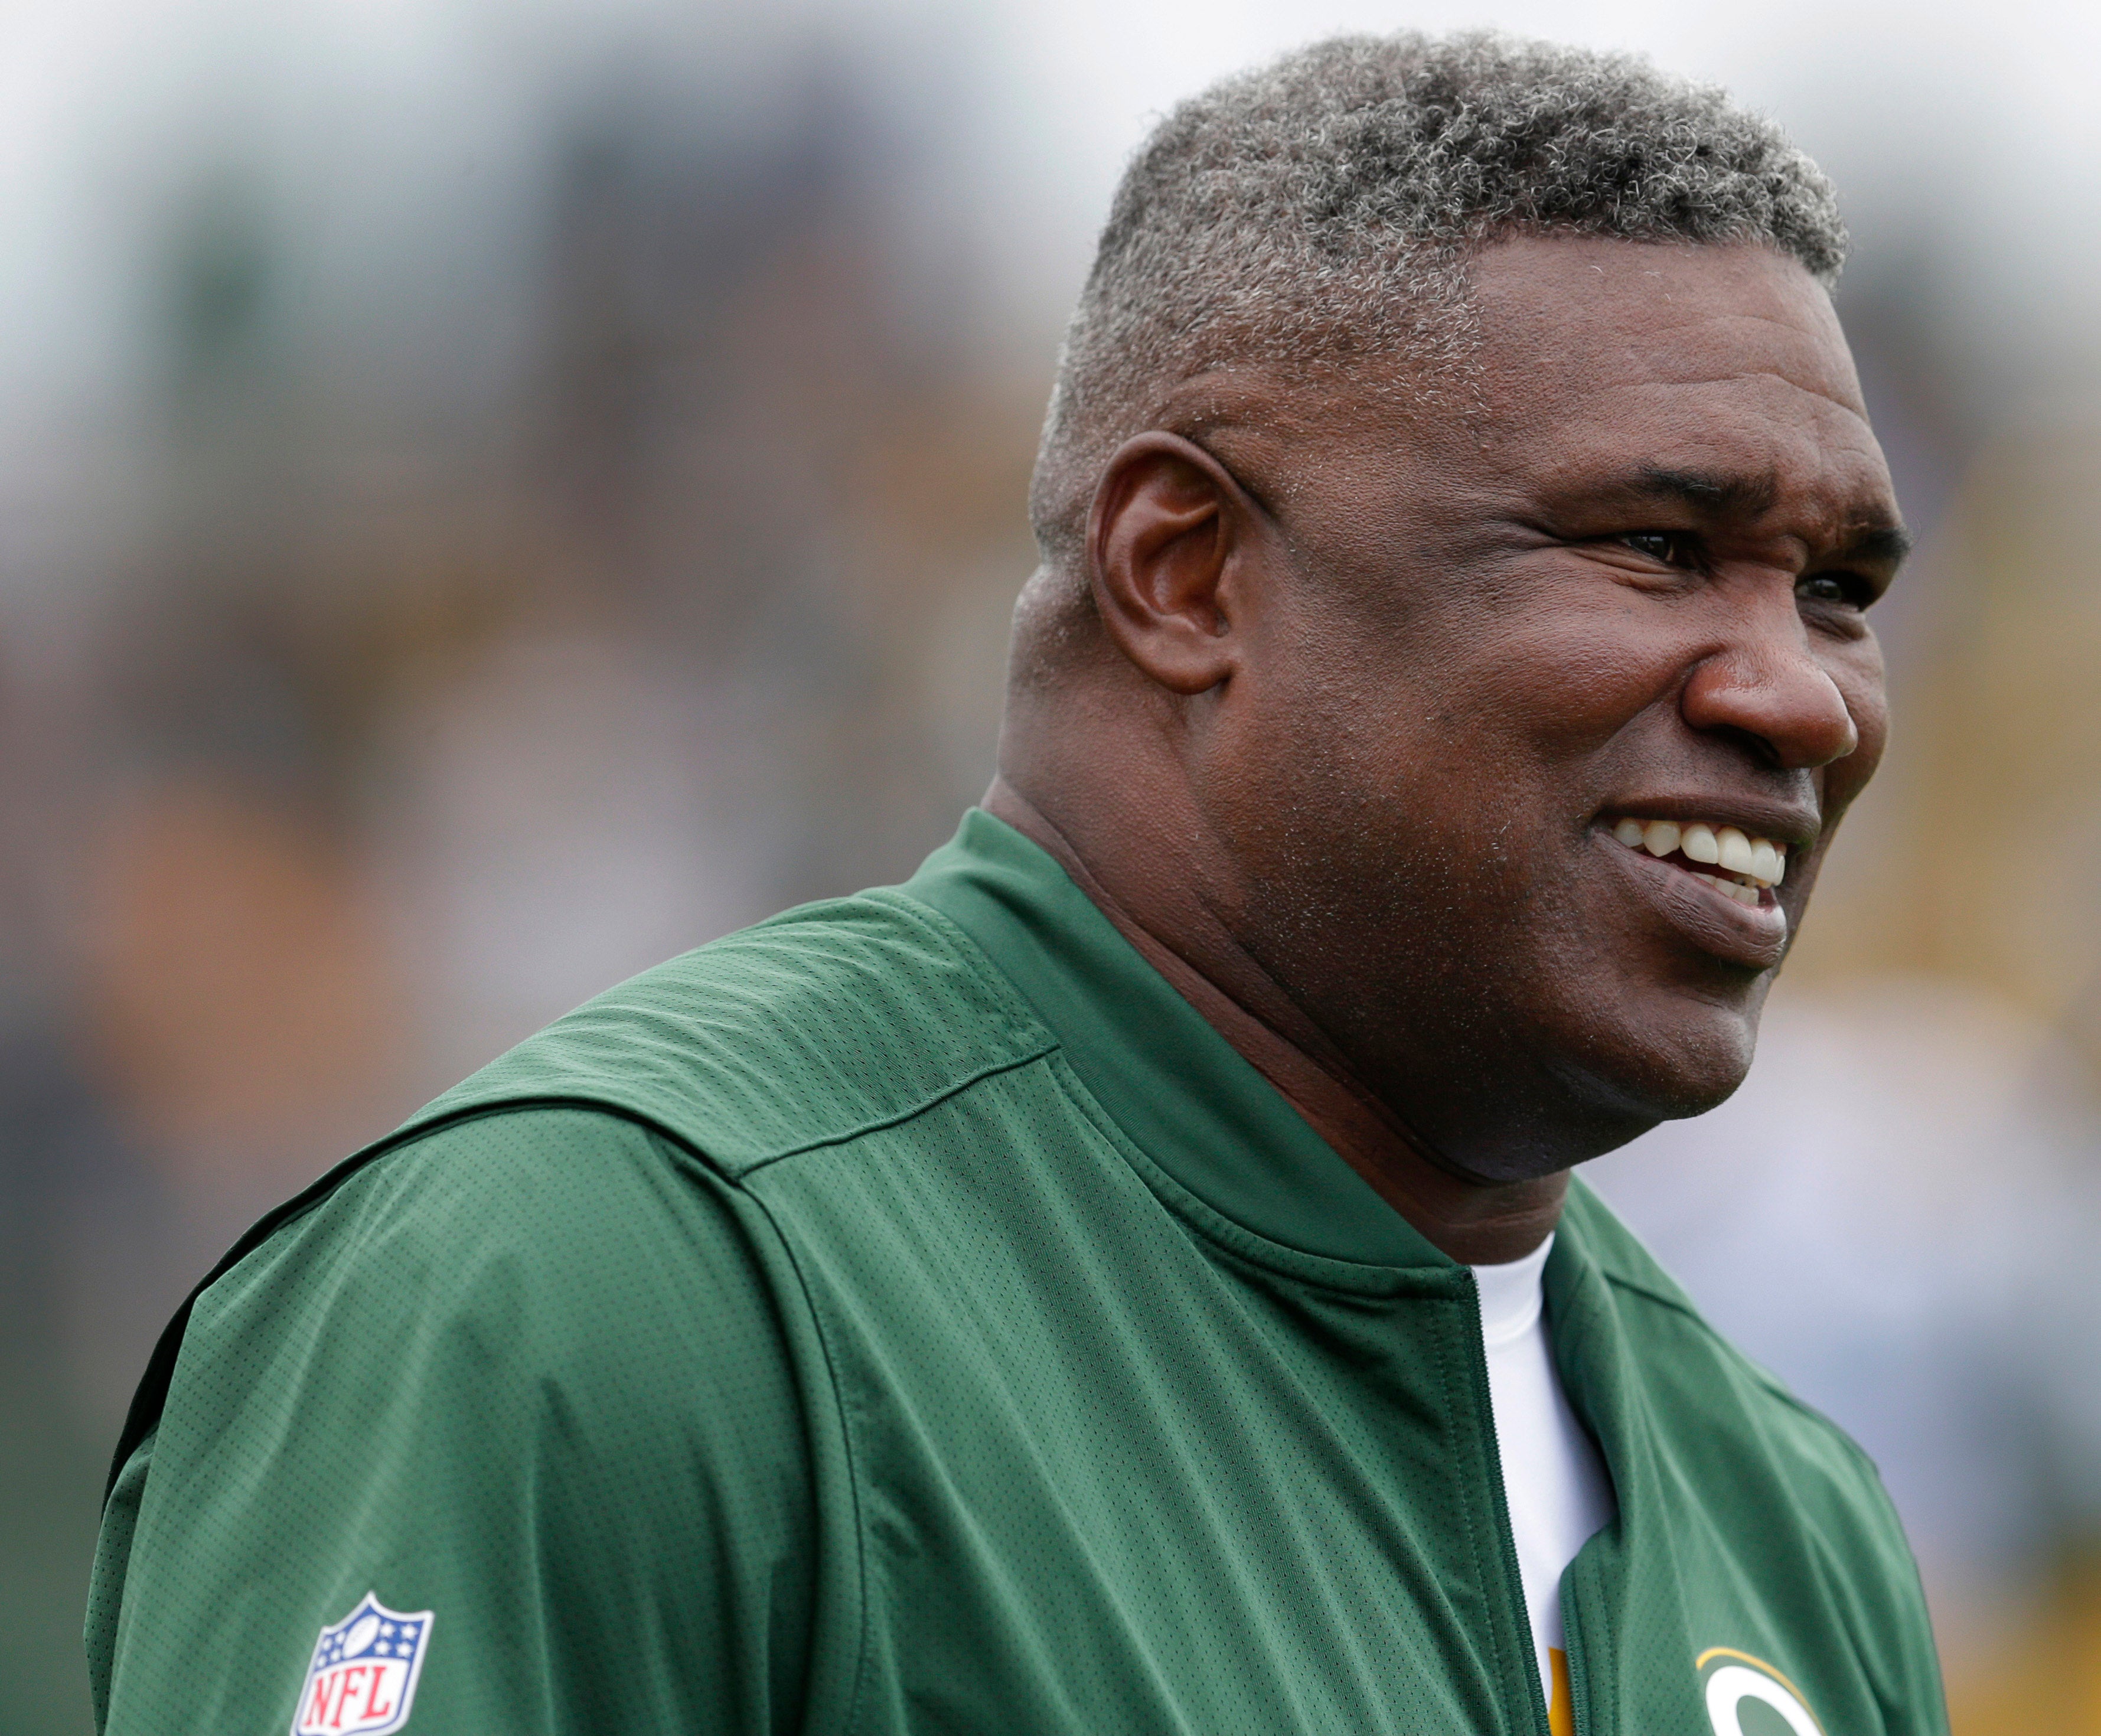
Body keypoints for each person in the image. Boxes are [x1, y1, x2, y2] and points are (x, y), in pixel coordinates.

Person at [88, 31, 1946, 1736]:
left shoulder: (1790, 1514)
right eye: (1653, 544)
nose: (1797, 692)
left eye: (1838, 589)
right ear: (1188, 570)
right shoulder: (609, 1290)